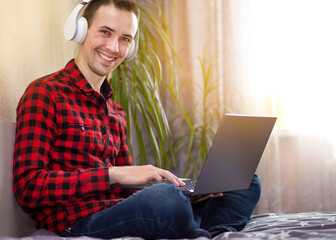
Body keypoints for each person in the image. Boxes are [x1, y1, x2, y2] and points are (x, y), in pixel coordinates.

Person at [13, 0, 261, 239]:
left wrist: (190, 193)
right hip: (78, 221)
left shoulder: (116, 112)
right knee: (165, 200)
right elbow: (28, 187)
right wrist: (113, 174)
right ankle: (196, 225)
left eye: (125, 39)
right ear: (80, 31)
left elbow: (125, 191)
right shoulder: (45, 93)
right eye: (105, 32)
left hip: (121, 211)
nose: (114, 48)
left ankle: (210, 232)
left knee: (245, 181)